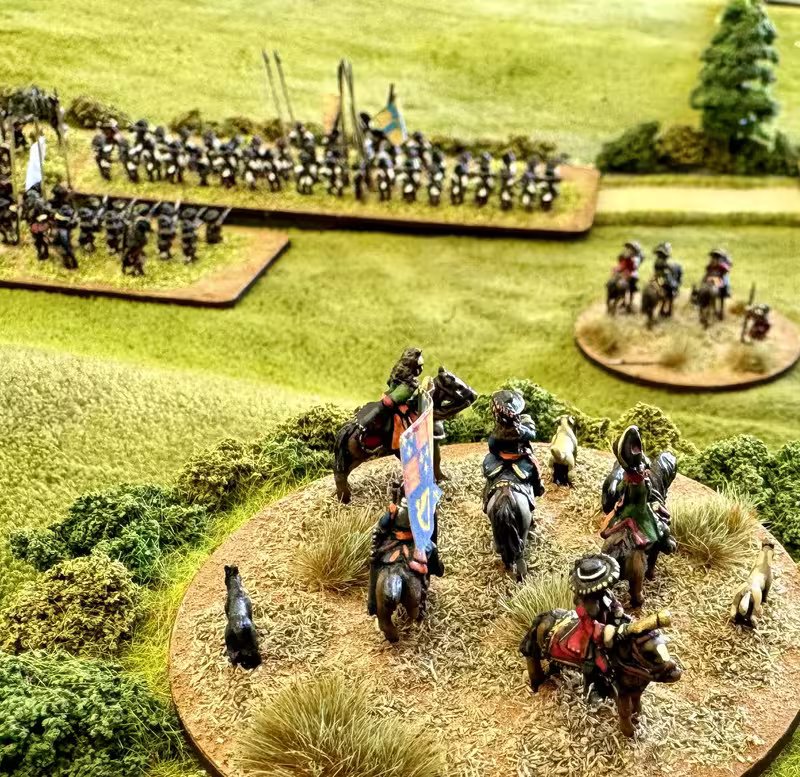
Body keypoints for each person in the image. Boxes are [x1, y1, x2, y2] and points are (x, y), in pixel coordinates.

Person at [548, 553, 631, 697]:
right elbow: (590, 624)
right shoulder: (585, 604)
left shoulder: (605, 593)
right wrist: (606, 630)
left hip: (609, 623)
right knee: (592, 657)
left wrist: (618, 612)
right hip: (591, 631)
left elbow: (614, 603)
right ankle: (591, 688)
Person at [366, 481, 444, 618]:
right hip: (397, 543)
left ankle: (435, 568)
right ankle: (373, 600)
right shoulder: (397, 511)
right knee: (375, 562)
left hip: (411, 542)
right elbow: (380, 528)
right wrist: (375, 547)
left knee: (432, 549)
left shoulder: (421, 509)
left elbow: (426, 529)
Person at [482, 389, 544, 511]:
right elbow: (492, 445)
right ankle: (486, 496)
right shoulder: (500, 422)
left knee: (535, 468)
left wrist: (519, 430)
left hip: (519, 456)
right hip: (500, 456)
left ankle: (537, 488)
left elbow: (531, 434)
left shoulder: (525, 419)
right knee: (487, 471)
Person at [52, 205, 79, 270]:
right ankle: (68, 265)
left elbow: (58, 218)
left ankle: (73, 264)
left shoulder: (67, 213)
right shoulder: (67, 213)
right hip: (61, 230)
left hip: (64, 230)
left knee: (66, 248)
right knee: (62, 249)